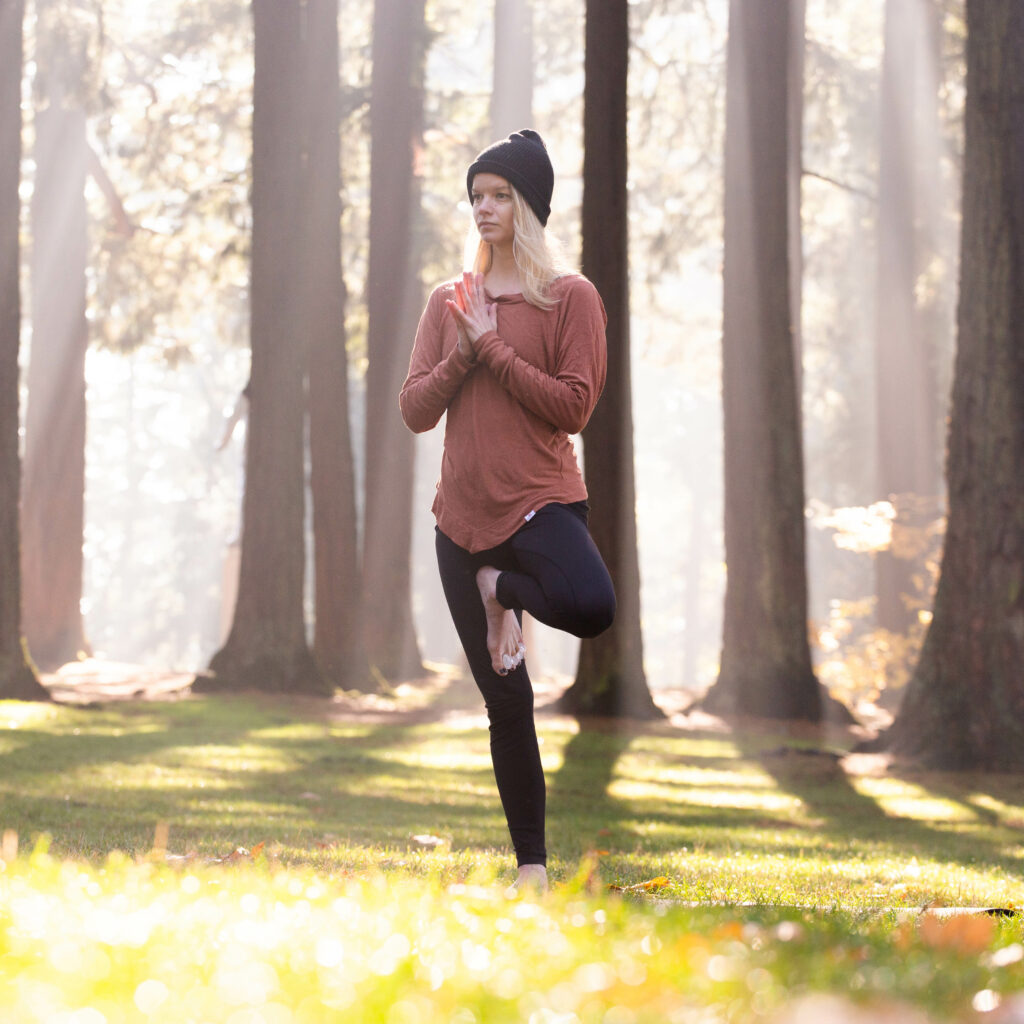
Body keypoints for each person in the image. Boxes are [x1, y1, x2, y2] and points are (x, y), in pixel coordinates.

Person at [399, 130, 616, 894]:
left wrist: (493, 349)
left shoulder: (571, 298)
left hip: (543, 505)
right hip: (461, 521)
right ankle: (532, 868)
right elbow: (415, 410)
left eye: (499, 196)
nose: (484, 209)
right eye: (476, 196)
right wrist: (465, 348)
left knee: (591, 606)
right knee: (506, 702)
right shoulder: (450, 301)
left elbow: (574, 405)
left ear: (528, 206)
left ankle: (505, 593)